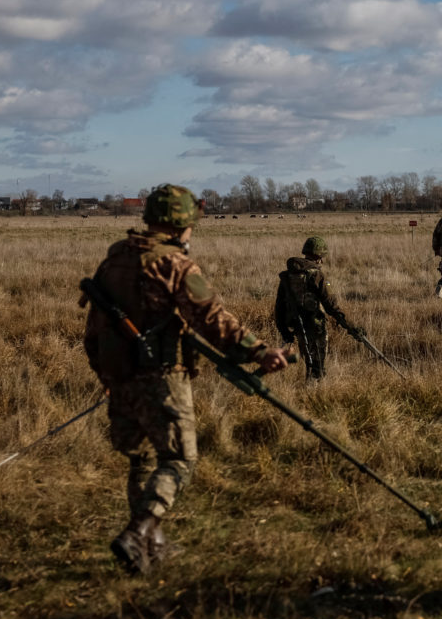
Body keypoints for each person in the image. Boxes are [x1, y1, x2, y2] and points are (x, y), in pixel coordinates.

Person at [81, 184, 289, 574]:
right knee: (178, 459)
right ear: (181, 224)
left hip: (120, 377)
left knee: (142, 461)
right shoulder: (174, 264)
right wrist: (260, 351)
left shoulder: (115, 260)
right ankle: (137, 533)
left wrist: (105, 375)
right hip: (161, 377)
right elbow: (211, 318)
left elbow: (93, 329)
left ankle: (148, 550)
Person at [275, 236, 356, 381]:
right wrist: (349, 325)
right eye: (322, 257)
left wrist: (283, 330)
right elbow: (330, 304)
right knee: (318, 365)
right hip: (315, 325)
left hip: (297, 325)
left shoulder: (288, 276)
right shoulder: (317, 275)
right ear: (318, 256)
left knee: (309, 361)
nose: (322, 261)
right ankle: (315, 389)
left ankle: (311, 385)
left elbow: (279, 306)